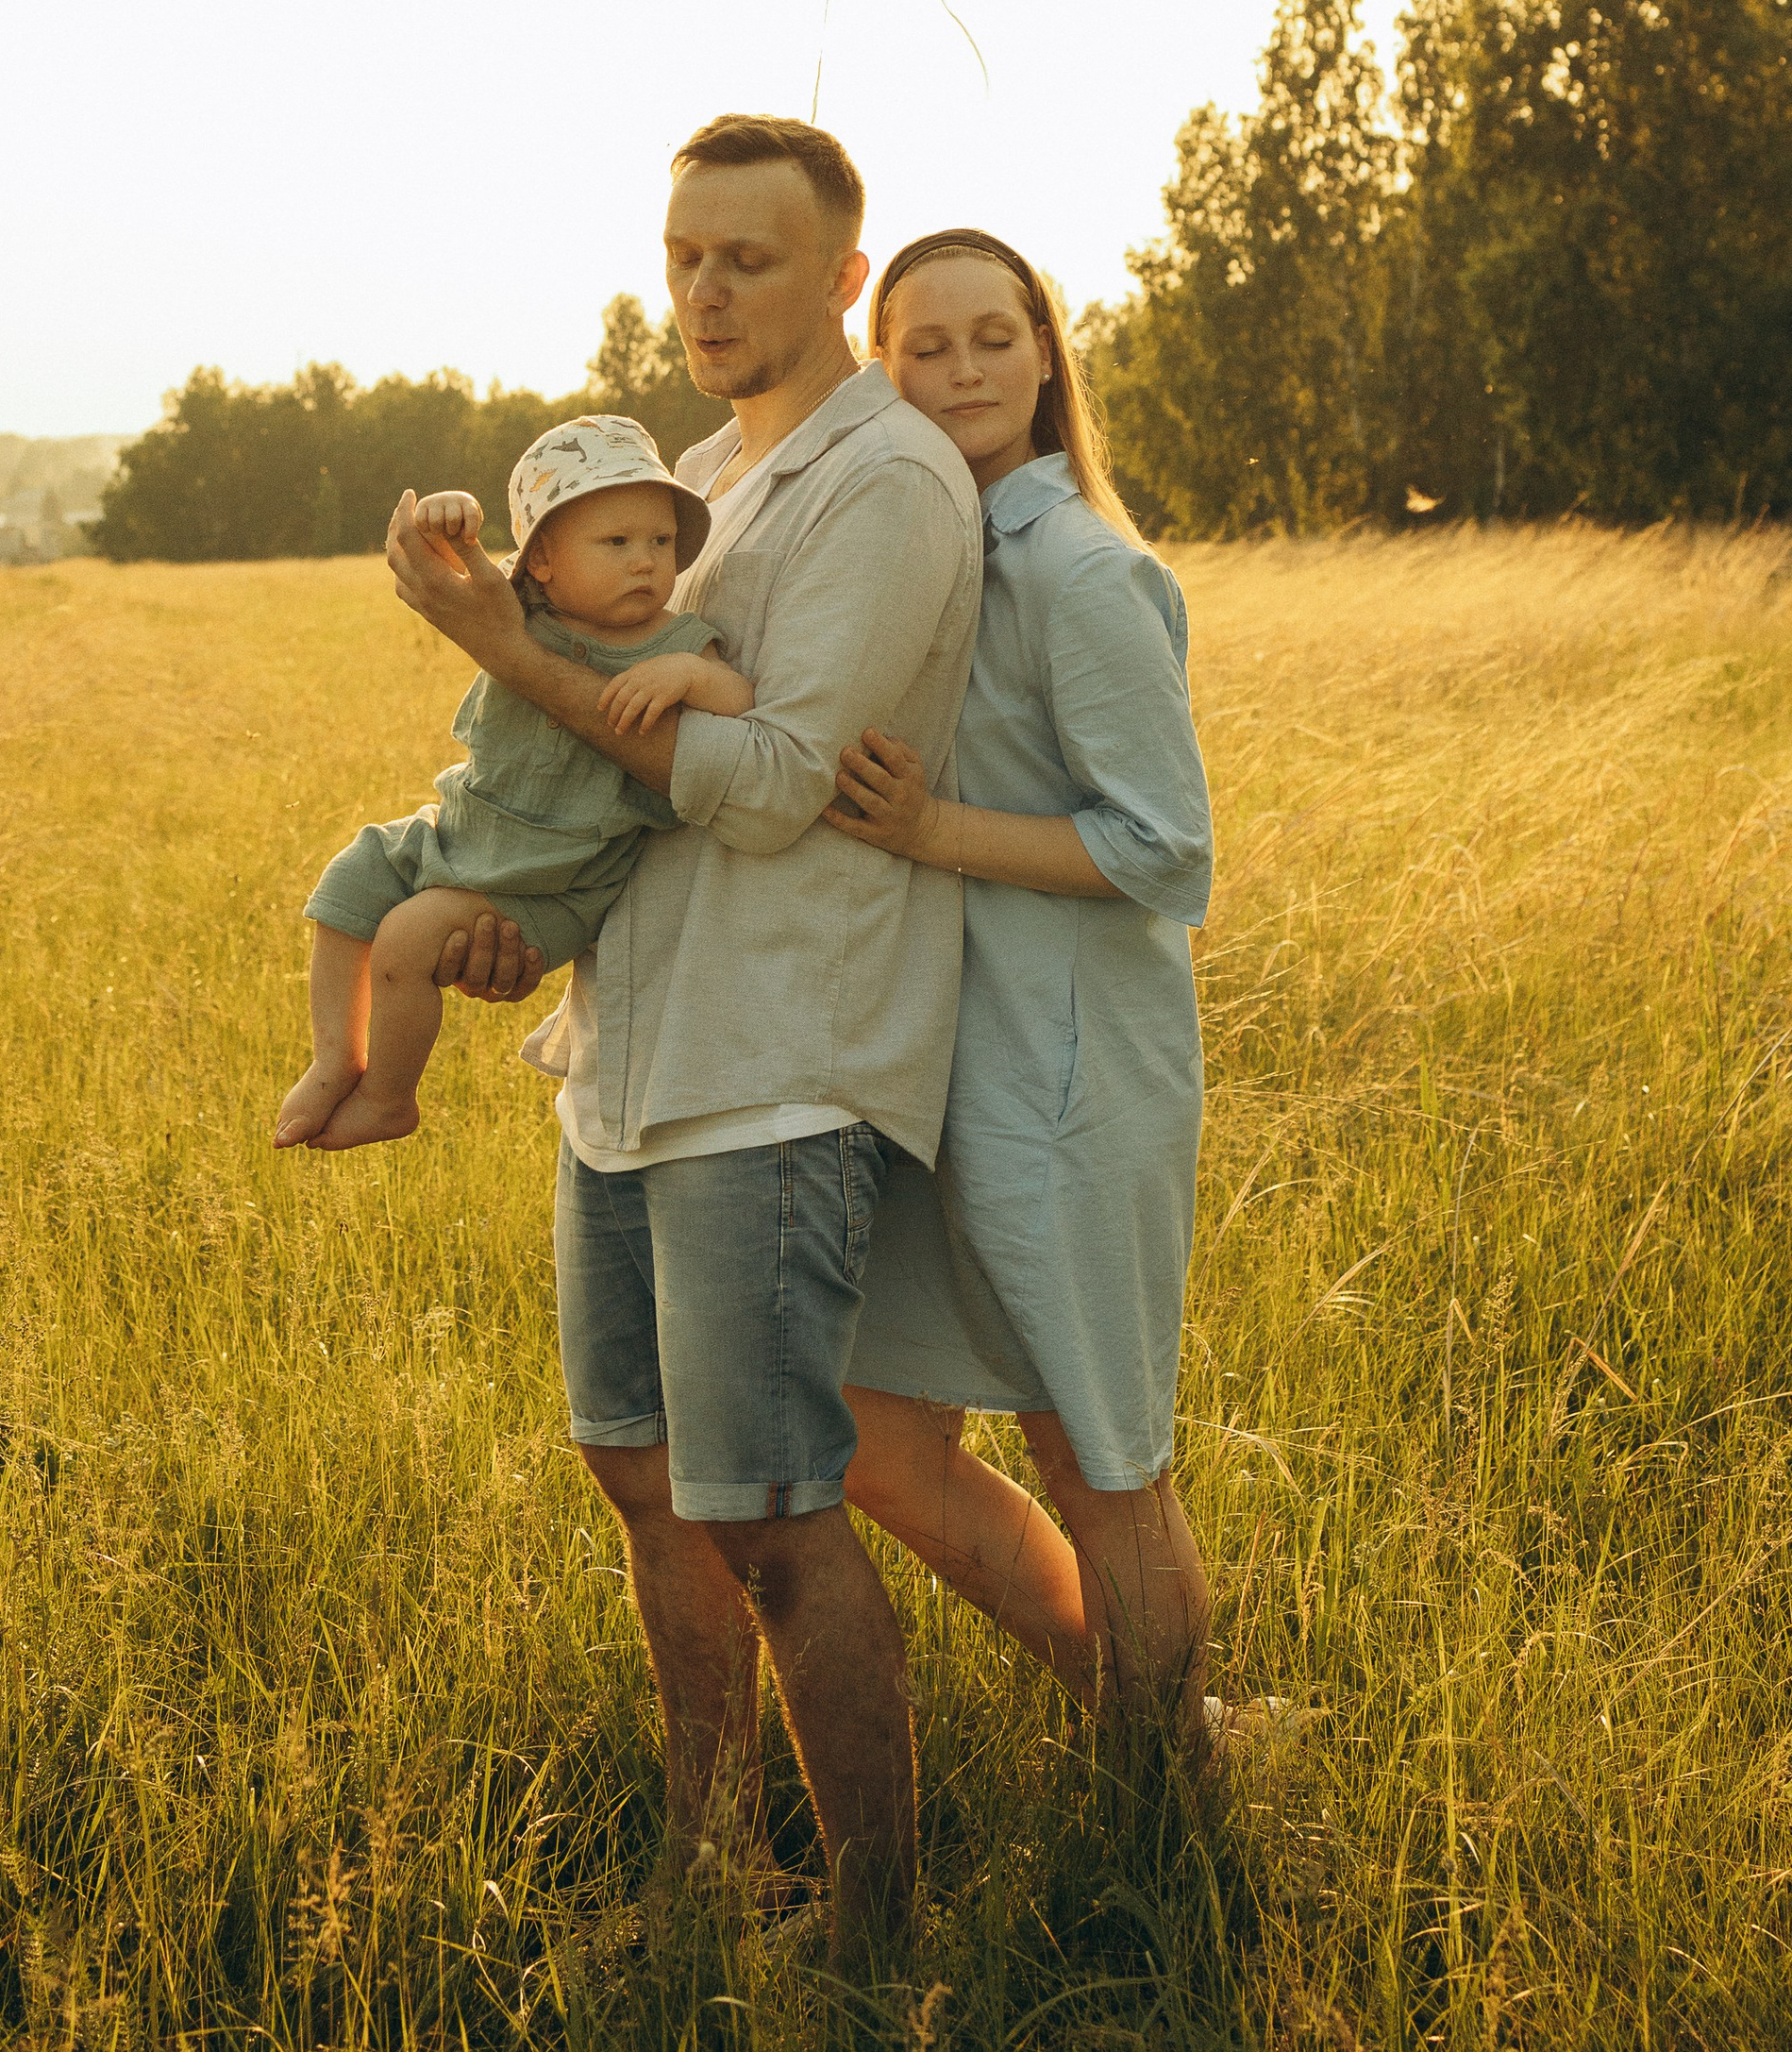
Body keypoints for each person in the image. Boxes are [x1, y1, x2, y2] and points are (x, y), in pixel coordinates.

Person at [384, 116, 982, 1956]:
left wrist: (501, 645)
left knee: (777, 1518)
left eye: (748, 259)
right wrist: (518, 927)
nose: (705, 293)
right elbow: (602, 788)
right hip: (623, 1065)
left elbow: (772, 784)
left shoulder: (887, 482)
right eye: (683, 257)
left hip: (774, 1074)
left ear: (842, 277)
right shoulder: (694, 480)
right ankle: (712, 1875)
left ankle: (875, 1942)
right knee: (643, 1487)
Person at [825, 226, 1219, 1752]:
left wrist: (933, 831)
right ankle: (1132, 1711)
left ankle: (1163, 1793)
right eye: (927, 346)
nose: (965, 369)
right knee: (867, 1429)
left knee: (1100, 1461)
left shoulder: (1083, 570)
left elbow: (1165, 847)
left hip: (1072, 1079)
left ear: (1046, 355)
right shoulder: (930, 552)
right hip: (938, 1070)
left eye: (995, 337)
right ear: (883, 370)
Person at [273, 417, 751, 1150]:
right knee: (349, 879)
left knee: (406, 937)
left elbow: (741, 703)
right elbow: (454, 567)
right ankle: (336, 1058)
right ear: (544, 561)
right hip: (461, 833)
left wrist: (690, 676)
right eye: (616, 543)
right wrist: (453, 517)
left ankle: (390, 1097)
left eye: (661, 541)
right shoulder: (519, 616)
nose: (645, 562)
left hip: (554, 885)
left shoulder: (678, 642)